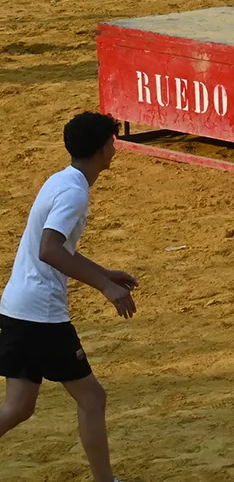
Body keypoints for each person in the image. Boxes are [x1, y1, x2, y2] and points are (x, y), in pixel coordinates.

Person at [0, 112, 137, 482]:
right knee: (93, 399)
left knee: (18, 407)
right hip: (42, 315)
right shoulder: (75, 192)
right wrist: (104, 287)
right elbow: (50, 249)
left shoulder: (61, 180)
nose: (115, 147)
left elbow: (58, 247)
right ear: (102, 149)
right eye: (112, 141)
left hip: (16, 307)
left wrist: (104, 272)